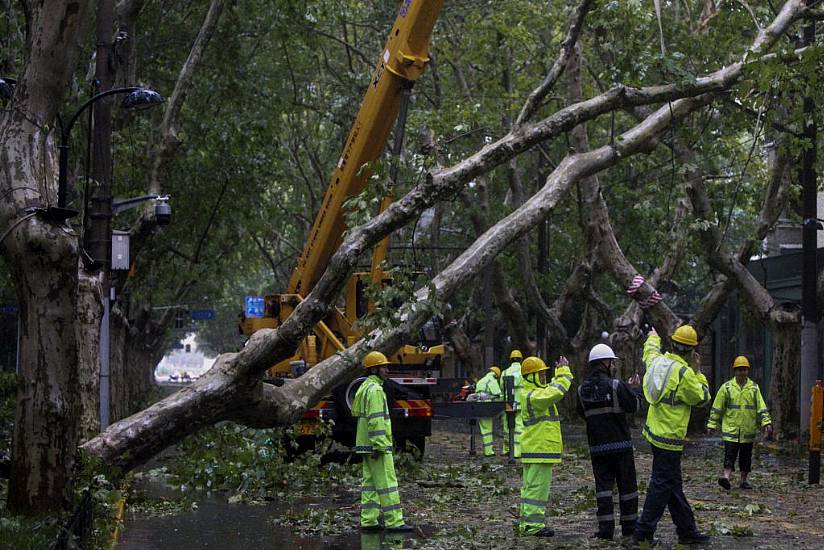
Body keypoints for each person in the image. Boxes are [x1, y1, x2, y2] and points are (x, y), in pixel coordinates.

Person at [632, 326, 711, 547]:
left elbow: (649, 353)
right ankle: (642, 534)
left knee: (672, 484)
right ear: (692, 351)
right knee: (661, 485)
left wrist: (653, 338)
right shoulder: (685, 373)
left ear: (672, 344)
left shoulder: (658, 362)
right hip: (670, 438)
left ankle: (687, 531)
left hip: (654, 432)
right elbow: (703, 397)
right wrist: (698, 371)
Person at [577, 343, 641, 540]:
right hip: (621, 446)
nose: (614, 366)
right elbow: (634, 406)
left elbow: (583, 414)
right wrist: (635, 390)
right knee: (627, 488)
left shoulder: (581, 390)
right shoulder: (616, 385)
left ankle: (605, 530)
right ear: (605, 363)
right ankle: (629, 528)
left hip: (597, 448)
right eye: (612, 362)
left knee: (603, 490)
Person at [353, 351, 413, 532]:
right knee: (388, 483)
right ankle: (395, 522)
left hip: (365, 445)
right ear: (374, 369)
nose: (387, 370)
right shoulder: (376, 390)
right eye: (384, 367)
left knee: (369, 484)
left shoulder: (364, 387)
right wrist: (379, 445)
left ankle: (369, 521)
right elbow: (376, 420)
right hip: (376, 446)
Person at [518, 355, 574, 537]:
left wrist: (557, 374)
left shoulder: (532, 393)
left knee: (530, 488)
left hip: (536, 449)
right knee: (537, 489)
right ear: (531, 377)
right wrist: (564, 372)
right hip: (539, 449)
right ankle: (533, 526)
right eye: (540, 375)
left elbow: (550, 389)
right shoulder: (533, 395)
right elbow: (556, 392)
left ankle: (527, 524)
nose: (543, 378)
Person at [707, 355, 772, 490]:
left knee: (745, 457)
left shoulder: (754, 388)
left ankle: (743, 480)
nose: (742, 372)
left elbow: (761, 406)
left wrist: (767, 423)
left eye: (744, 369)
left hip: (748, 431)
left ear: (748, 371)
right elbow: (717, 407)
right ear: (734, 371)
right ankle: (726, 477)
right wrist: (712, 424)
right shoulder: (727, 388)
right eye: (739, 369)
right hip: (731, 430)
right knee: (729, 454)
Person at [475, 366, 503, 457]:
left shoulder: (482, 380)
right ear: (496, 375)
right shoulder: (492, 381)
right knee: (488, 429)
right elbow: (498, 394)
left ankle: (487, 450)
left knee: (484, 429)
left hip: (479, 405)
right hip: (486, 406)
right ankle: (488, 452)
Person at [502, 349, 524, 458]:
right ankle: (517, 451)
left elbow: (502, 387)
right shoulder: (524, 371)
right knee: (519, 425)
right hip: (521, 401)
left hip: (509, 402)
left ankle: (507, 449)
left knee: (507, 425)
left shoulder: (505, 372)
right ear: (521, 359)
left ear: (510, 359)